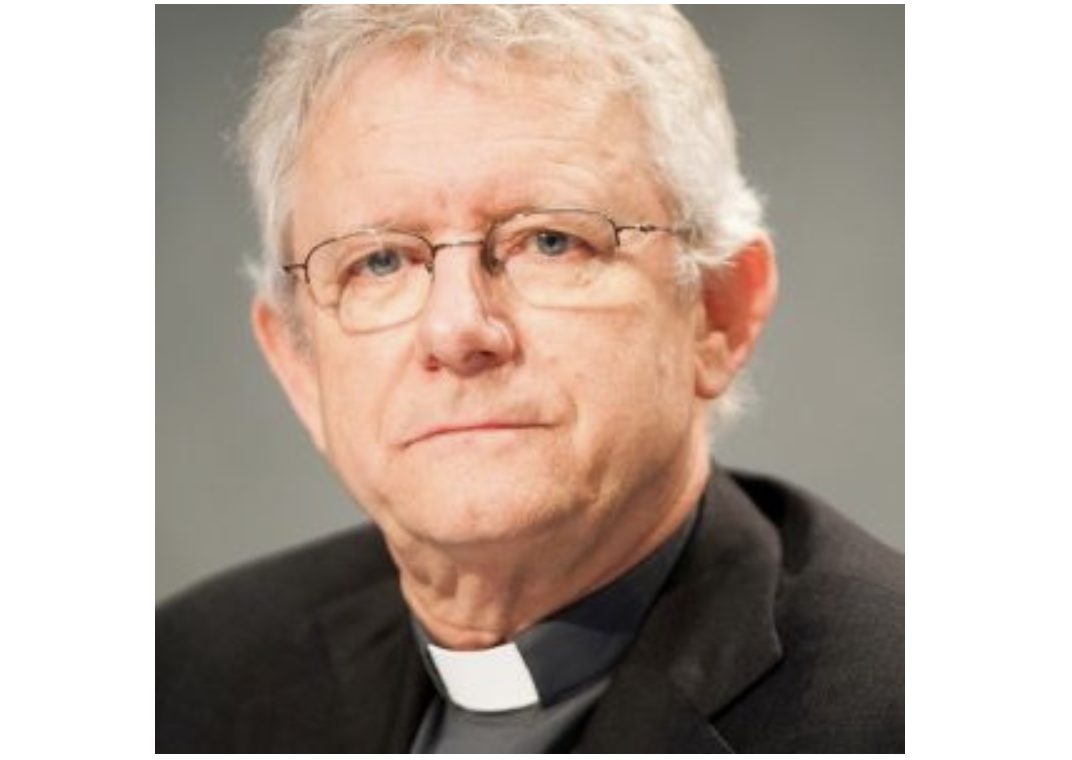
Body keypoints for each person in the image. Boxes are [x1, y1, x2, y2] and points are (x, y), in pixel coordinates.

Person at [157, 5, 903, 753]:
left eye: (550, 241)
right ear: (299, 364)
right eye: (378, 262)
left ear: (718, 311)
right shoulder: (182, 682)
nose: (458, 331)